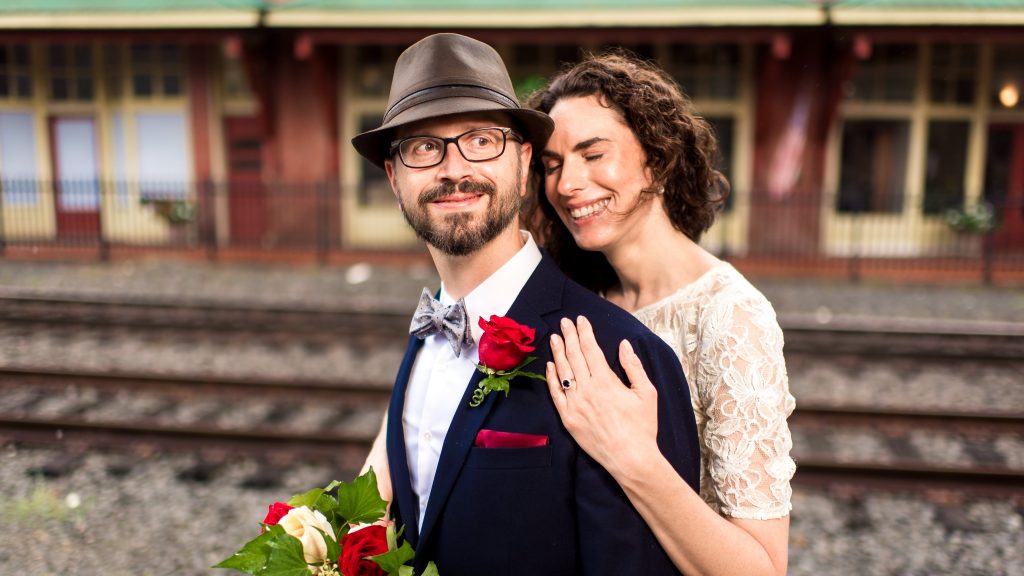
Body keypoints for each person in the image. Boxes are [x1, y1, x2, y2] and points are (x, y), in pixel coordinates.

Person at [351, 33, 700, 576]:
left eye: (482, 140)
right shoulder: (425, 334)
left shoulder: (619, 352)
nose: (452, 168)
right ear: (395, 178)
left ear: (523, 159)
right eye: (423, 147)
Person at [527, 51, 796, 576]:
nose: (566, 184)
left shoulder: (731, 316)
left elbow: (762, 568)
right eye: (553, 165)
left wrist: (634, 459)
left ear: (658, 157)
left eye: (592, 154)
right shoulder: (576, 297)